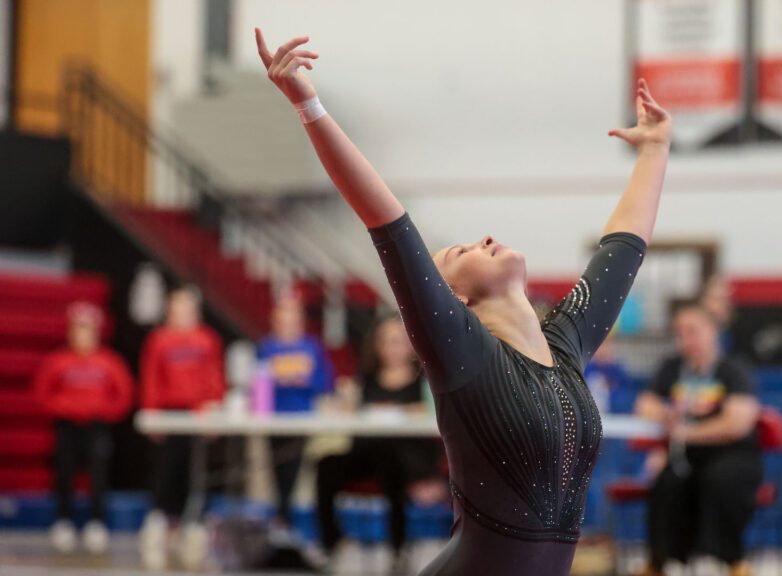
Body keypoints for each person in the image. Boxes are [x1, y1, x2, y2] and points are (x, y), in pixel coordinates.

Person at [254, 27, 669, 575]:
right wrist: (308, 105)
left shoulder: (565, 348)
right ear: (453, 297)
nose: (485, 238)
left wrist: (655, 150)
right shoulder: (462, 352)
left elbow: (622, 250)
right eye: (462, 250)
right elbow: (386, 220)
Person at [634, 305, 762, 576]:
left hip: (732, 455)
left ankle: (734, 561)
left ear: (713, 332)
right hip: (686, 457)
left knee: (721, 480)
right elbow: (645, 405)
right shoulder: (672, 368)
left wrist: (685, 432)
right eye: (679, 333)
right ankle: (658, 562)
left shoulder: (733, 370)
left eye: (692, 331)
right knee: (666, 483)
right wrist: (667, 414)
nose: (685, 339)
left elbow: (737, 423)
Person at [315, 315, 442, 571]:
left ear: (410, 345)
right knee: (326, 465)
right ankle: (330, 543)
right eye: (384, 341)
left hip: (408, 460)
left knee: (390, 460)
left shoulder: (424, 380)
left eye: (396, 341)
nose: (390, 348)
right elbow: (352, 415)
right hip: (367, 454)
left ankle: (398, 546)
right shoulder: (366, 380)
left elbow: (434, 416)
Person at [33, 302, 134, 555]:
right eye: (78, 329)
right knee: (64, 473)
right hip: (67, 426)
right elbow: (42, 393)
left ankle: (97, 524)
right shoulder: (58, 361)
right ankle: (63, 521)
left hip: (97, 427)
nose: (83, 336)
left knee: (98, 474)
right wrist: (65, 408)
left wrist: (102, 411)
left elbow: (124, 395)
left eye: (87, 330)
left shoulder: (109, 362)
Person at [138, 287, 225, 570]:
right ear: (169, 312)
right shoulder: (159, 340)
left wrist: (214, 408)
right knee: (166, 471)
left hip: (197, 415)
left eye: (186, 310)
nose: (182, 316)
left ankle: (189, 527)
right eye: (176, 310)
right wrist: (151, 411)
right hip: (168, 414)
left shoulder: (207, 339)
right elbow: (151, 375)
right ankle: (158, 524)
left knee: (193, 472)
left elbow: (214, 376)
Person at [256, 292, 334, 532]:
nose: (287, 324)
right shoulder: (266, 347)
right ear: (275, 321)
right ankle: (282, 515)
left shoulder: (312, 347)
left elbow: (326, 382)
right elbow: (257, 381)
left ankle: (287, 517)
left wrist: (305, 380)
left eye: (292, 319)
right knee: (277, 467)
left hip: (302, 417)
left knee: (296, 467)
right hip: (273, 418)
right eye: (283, 319)